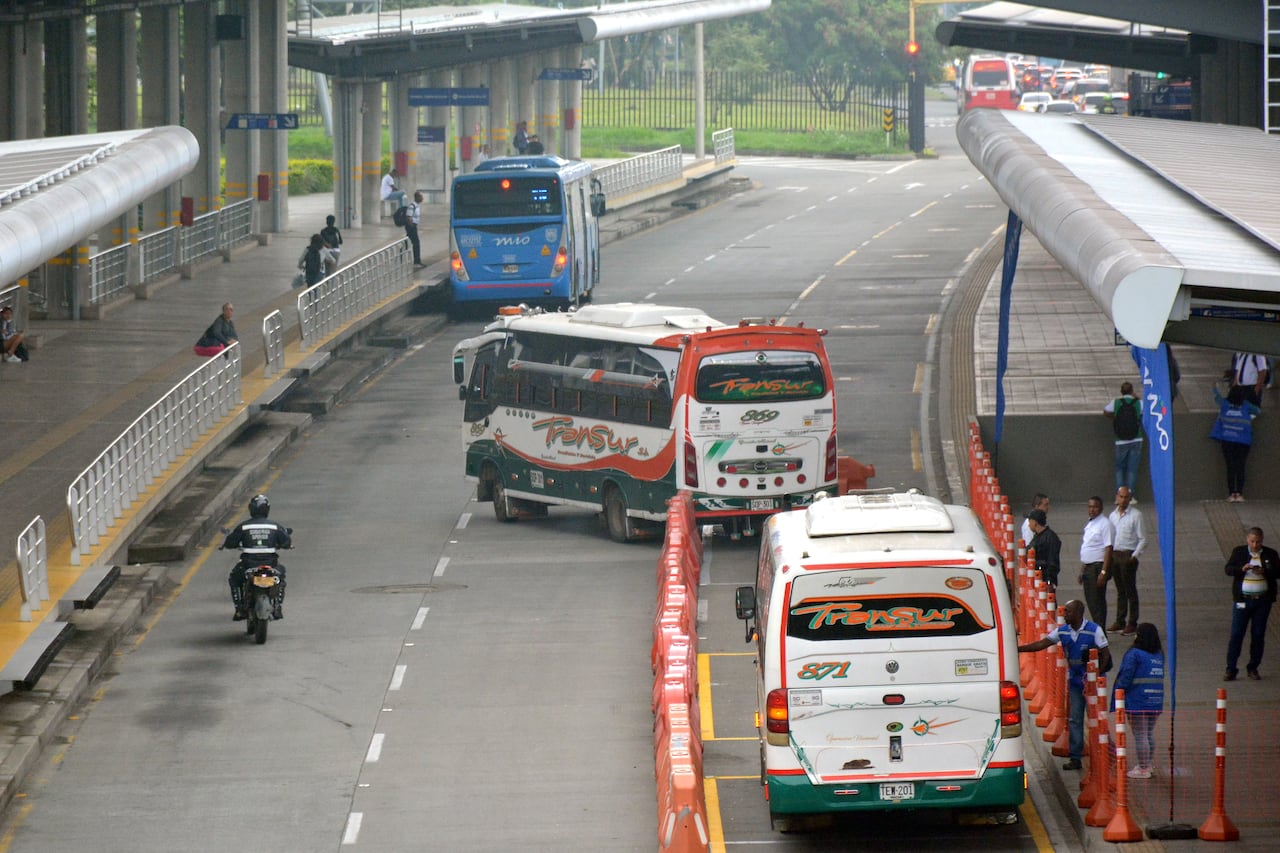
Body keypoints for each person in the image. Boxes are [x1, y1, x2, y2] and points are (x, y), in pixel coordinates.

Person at [1019, 599, 1110, 771]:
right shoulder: (1063, 632)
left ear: (1078, 613)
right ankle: (1076, 757)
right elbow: (1041, 644)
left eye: (1067, 611)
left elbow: (1105, 654)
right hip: (1075, 683)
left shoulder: (1094, 630)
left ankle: (1103, 755)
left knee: (1097, 719)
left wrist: (1098, 676)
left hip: (1093, 685)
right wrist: (1019, 649)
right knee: (1075, 719)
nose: (1064, 614)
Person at [222, 494, 292, 621]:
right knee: (280, 579)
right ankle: (277, 607)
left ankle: (239, 609)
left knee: (235, 580)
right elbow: (286, 542)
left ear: (251, 509)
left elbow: (230, 543)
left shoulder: (244, 527)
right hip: (270, 564)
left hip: (248, 565)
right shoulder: (275, 527)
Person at [1223, 526, 1280, 681]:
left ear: (1262, 541)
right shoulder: (1239, 552)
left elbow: (1278, 572)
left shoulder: (1270, 554)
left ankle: (1253, 667)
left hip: (1262, 601)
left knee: (1258, 635)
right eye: (1252, 541)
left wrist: (1265, 571)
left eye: (1258, 542)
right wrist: (1242, 568)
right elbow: (1228, 569)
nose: (1255, 545)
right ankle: (1231, 668)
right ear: (1247, 540)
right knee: (1236, 634)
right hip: (1243, 600)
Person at [1111, 622, 1164, 779]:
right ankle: (1147, 764)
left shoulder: (1134, 654)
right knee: (1148, 733)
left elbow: (1126, 675)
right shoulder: (1159, 653)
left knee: (1140, 734)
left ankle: (1143, 768)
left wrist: (1119, 691)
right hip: (1155, 699)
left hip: (1137, 699)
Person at [1211, 383, 1261, 502]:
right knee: (1240, 466)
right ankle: (1239, 493)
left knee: (1230, 467)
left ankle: (1231, 493)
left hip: (1227, 440)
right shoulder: (1246, 406)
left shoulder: (1225, 405)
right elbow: (1258, 411)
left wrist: (1214, 388)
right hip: (1243, 441)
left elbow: (1217, 398)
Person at [1108, 486, 1146, 635]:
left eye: (1126, 497)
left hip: (1128, 554)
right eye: (1121, 497)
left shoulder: (1136, 515)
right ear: (1117, 497)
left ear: (1130, 499)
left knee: (1130, 590)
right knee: (1120, 590)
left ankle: (1132, 622)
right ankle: (1120, 620)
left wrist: (1134, 556)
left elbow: (1143, 538)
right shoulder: (1112, 516)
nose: (1123, 500)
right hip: (1115, 554)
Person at [1079, 495, 1113, 629]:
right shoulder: (1090, 523)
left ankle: (1100, 634)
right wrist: (1082, 570)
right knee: (1091, 601)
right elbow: (1087, 547)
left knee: (1097, 602)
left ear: (1101, 508)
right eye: (1090, 506)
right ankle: (1098, 631)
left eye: (1095, 507)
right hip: (1088, 566)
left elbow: (1108, 548)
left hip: (1097, 567)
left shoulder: (1105, 524)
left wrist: (1104, 572)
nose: (1092, 509)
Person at [1103, 381, 1143, 492]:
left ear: (1121, 391)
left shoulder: (1116, 402)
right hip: (1136, 438)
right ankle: (1129, 496)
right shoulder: (1139, 403)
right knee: (1132, 469)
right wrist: (1137, 397)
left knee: (1120, 469)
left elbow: (1105, 411)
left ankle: (1119, 495)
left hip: (1120, 440)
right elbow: (1147, 411)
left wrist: (1115, 417)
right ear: (1131, 391)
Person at [1026, 508, 1062, 589]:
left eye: (1030, 522)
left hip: (1044, 579)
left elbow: (1053, 561)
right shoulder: (1037, 536)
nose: (1028, 525)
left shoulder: (1050, 538)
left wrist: (1049, 581)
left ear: (1035, 522)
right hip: (1036, 577)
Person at [405, 190, 424, 268]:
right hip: (411, 227)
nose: (422, 198)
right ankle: (417, 261)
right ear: (417, 197)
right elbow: (408, 217)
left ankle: (400, 256)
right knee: (416, 243)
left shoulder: (417, 206)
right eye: (421, 197)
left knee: (407, 242)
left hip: (413, 226)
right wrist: (411, 226)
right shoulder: (412, 206)